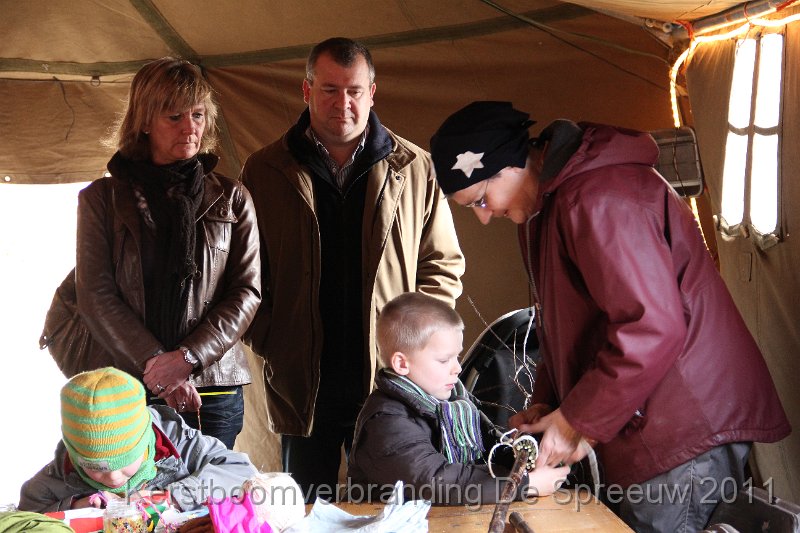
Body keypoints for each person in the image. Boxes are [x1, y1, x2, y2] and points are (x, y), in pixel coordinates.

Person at [429, 101, 790, 531]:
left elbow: (651, 325)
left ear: (511, 165)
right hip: (646, 416)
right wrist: (551, 403)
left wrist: (576, 420)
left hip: (682, 424)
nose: (485, 218)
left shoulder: (598, 197)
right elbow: (566, 323)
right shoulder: (544, 209)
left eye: (482, 199)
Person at [241, 38, 464, 500]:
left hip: (388, 378)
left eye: (354, 90)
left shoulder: (416, 168)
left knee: (391, 512)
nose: (342, 102)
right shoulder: (264, 171)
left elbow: (442, 265)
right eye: (329, 89)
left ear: (372, 93)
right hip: (304, 380)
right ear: (306, 91)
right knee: (302, 512)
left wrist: (417, 347)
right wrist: (271, 338)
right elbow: (244, 274)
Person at [75, 57, 261, 448]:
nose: (190, 127)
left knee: (211, 503)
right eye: (174, 116)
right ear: (144, 121)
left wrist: (188, 359)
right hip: (128, 384)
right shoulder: (101, 200)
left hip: (212, 385)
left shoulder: (233, 197)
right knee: (132, 506)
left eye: (197, 114)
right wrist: (157, 364)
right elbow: (95, 294)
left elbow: (246, 292)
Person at [347, 292, 569, 505]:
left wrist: (526, 449)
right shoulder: (386, 422)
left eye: (457, 356)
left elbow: (490, 448)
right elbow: (435, 481)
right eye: (444, 360)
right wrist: (523, 484)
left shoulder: (456, 404)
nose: (458, 368)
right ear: (402, 364)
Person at [18, 368, 258, 512]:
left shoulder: (180, 445)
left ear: (146, 442)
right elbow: (25, 518)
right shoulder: (49, 484)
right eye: (95, 468)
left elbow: (241, 471)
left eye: (124, 463)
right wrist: (74, 508)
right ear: (73, 455)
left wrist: (173, 497)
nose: (112, 477)